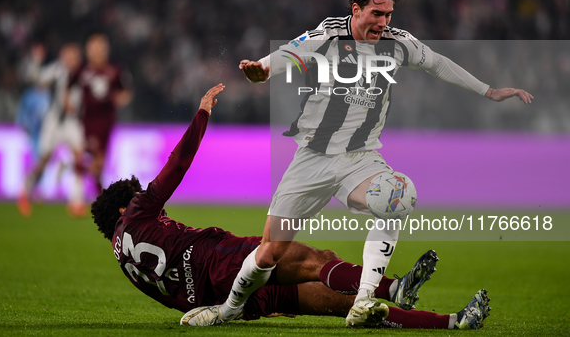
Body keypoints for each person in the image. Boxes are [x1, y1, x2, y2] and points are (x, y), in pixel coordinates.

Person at [187, 0, 534, 327]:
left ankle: (364, 300)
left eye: (388, 15)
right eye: (376, 14)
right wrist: (261, 70)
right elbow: (287, 53)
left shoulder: (399, 43)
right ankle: (229, 309)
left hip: (360, 160)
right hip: (312, 160)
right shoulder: (328, 35)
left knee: (397, 199)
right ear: (356, 10)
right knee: (269, 254)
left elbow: (437, 62)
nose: (383, 23)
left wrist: (488, 91)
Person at [91, 84, 491, 330]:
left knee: (346, 302)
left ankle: (453, 322)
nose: (158, 211)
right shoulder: (137, 212)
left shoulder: (121, 257)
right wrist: (201, 115)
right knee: (315, 258)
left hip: (222, 299)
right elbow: (176, 166)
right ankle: (396, 287)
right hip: (218, 262)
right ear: (125, 205)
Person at [18, 43, 88, 217]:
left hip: (73, 121)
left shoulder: (84, 73)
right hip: (54, 121)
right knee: (43, 160)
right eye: (67, 55)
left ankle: (76, 202)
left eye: (73, 55)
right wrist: (36, 61)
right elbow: (36, 78)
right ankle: (24, 190)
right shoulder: (57, 70)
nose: (70, 59)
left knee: (79, 158)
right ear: (62, 56)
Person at [67, 33, 132, 194]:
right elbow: (68, 86)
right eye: (94, 47)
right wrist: (67, 102)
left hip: (107, 121)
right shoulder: (82, 70)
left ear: (106, 49)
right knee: (97, 162)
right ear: (88, 50)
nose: (97, 51)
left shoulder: (115, 70)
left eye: (100, 47)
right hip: (86, 120)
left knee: (99, 164)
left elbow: (126, 91)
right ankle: (100, 194)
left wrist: (120, 98)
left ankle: (74, 167)